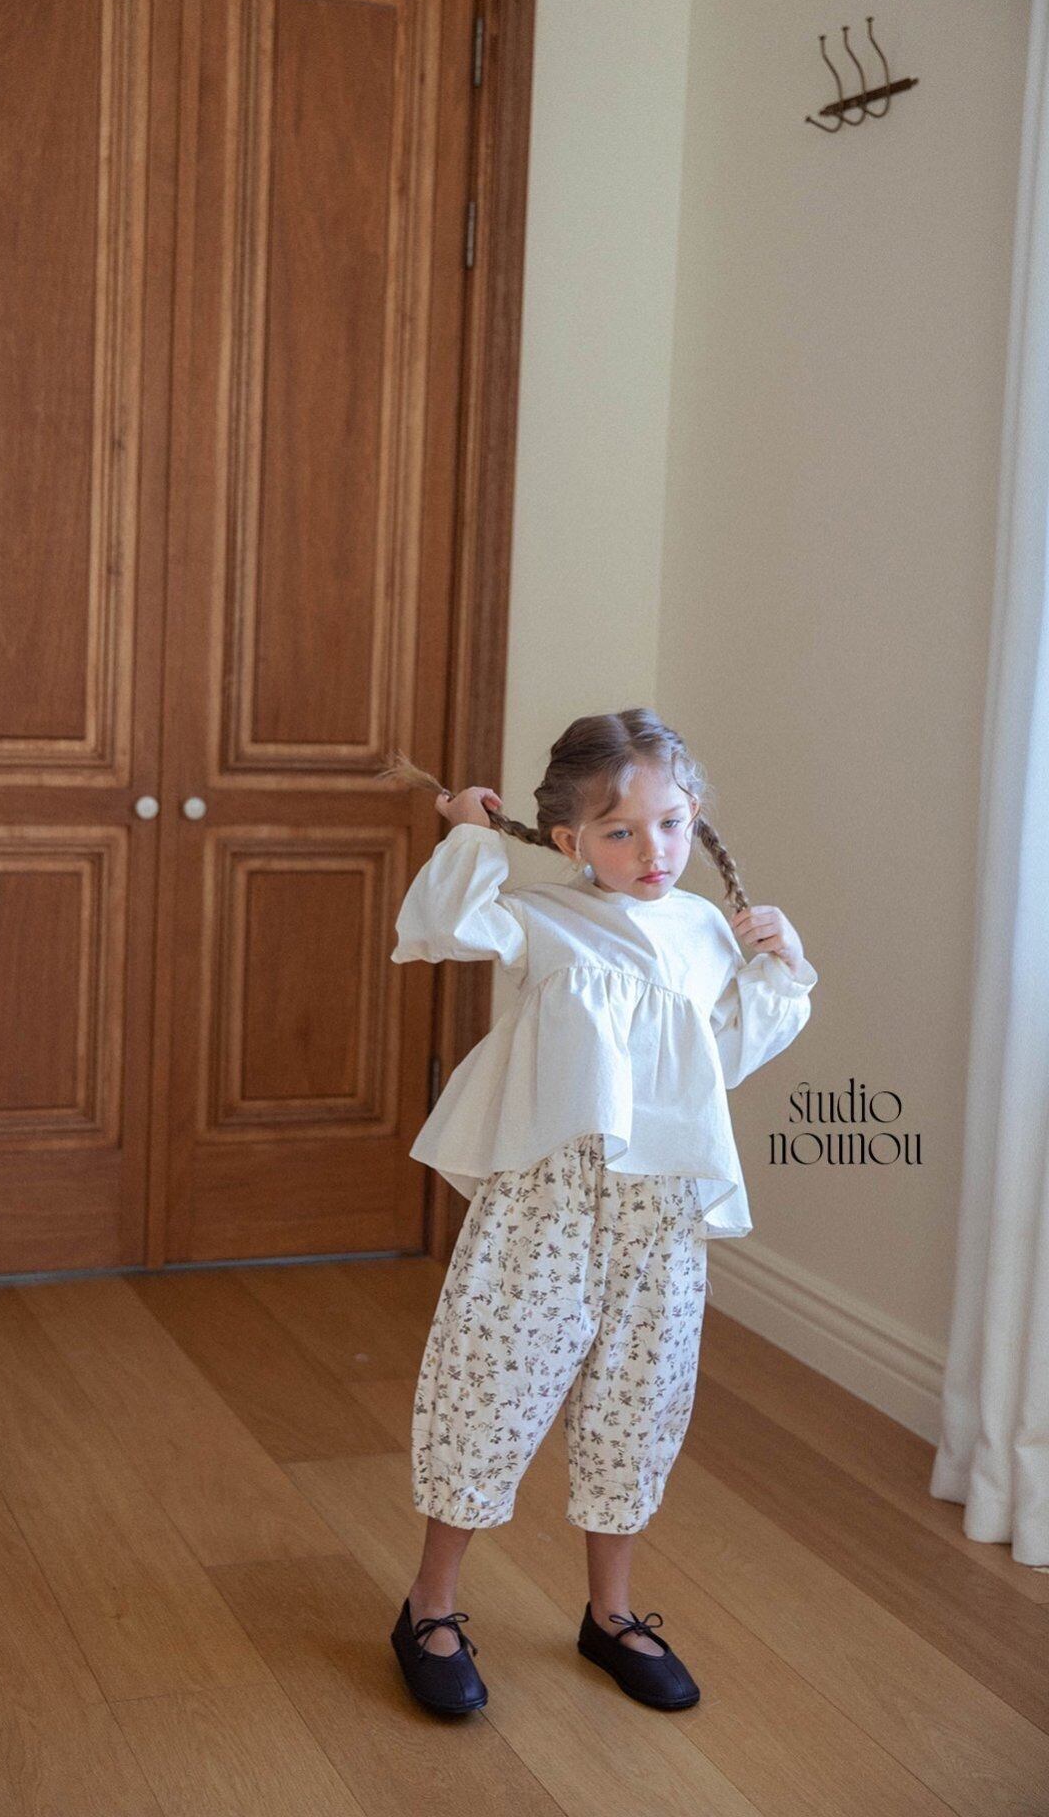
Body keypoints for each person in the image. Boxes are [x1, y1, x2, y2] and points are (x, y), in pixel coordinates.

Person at [379, 708, 817, 1716]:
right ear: (571, 841)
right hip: (548, 1196)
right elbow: (442, 929)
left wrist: (781, 962)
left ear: (693, 815)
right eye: (619, 832)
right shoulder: (541, 918)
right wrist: (469, 833)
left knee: (639, 1396)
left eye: (668, 824)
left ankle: (610, 1613)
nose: (651, 851)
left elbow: (719, 1062)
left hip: (659, 1208)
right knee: (493, 1384)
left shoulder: (701, 933)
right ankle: (429, 1604)